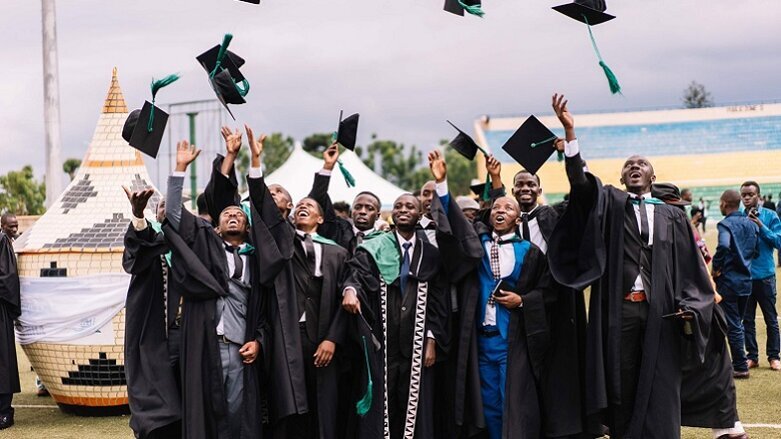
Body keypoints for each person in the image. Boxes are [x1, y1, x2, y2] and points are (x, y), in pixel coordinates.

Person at [547, 93, 715, 439]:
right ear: (622, 179)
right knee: (620, 379)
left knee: (660, 379)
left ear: (653, 176)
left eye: (641, 163)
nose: (635, 166)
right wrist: (570, 134)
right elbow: (582, 184)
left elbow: (690, 266)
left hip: (662, 311)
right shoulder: (611, 204)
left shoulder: (672, 216)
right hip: (619, 310)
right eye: (628, 165)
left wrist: (692, 304)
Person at [429, 149, 582, 439]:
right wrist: (442, 184)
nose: (501, 211)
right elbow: (455, 225)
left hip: (512, 338)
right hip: (480, 338)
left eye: (508, 209)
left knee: (514, 398)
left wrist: (522, 301)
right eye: (496, 207)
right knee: (489, 403)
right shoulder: (477, 244)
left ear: (517, 219)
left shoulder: (531, 253)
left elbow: (547, 291)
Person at [163, 137, 269, 439]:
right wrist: (180, 169)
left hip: (238, 346)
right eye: (226, 215)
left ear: (247, 227)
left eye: (239, 215)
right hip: (203, 341)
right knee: (203, 409)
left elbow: (265, 309)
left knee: (235, 412)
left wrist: (258, 341)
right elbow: (173, 216)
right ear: (216, 227)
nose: (233, 216)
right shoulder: (205, 246)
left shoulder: (259, 259)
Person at [341, 192, 447, 439]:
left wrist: (431, 340)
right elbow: (356, 273)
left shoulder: (431, 254)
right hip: (383, 339)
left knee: (412, 404)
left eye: (410, 206)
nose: (403, 210)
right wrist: (351, 291)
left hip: (416, 342)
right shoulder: (376, 247)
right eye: (398, 206)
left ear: (419, 215)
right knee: (383, 401)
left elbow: (438, 301)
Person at [122, 189, 182, 438]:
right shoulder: (152, 241)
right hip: (154, 338)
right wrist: (138, 215)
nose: (167, 209)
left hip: (190, 337)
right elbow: (136, 253)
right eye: (162, 206)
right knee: (157, 409)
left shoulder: (197, 243)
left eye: (175, 205)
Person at [712, 190, 758, 378]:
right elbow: (755, 251)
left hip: (729, 281)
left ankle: (739, 366)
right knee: (737, 322)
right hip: (746, 281)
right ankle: (738, 362)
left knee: (733, 325)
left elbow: (723, 245)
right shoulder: (751, 224)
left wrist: (716, 267)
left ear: (724, 203)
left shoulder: (725, 224)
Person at [308, 143, 384, 253]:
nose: (362, 211)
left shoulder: (384, 241)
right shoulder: (338, 230)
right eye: (358, 207)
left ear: (378, 216)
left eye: (369, 208)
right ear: (351, 212)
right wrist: (328, 167)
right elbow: (318, 199)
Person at [740, 181, 781, 371]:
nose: (747, 198)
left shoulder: (770, 216)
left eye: (751, 194)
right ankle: (752, 356)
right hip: (745, 277)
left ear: (758, 196)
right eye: (744, 195)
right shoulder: (739, 217)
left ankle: (774, 357)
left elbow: (778, 242)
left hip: (765, 276)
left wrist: (760, 225)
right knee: (747, 320)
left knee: (771, 319)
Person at [0, 213, 20, 430]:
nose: (15, 229)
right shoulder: (3, 242)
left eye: (16, 226)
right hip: (2, 308)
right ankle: (4, 413)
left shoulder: (4, 241)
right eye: (11, 226)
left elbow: (7, 279)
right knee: (3, 361)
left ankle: (4, 412)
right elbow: (8, 279)